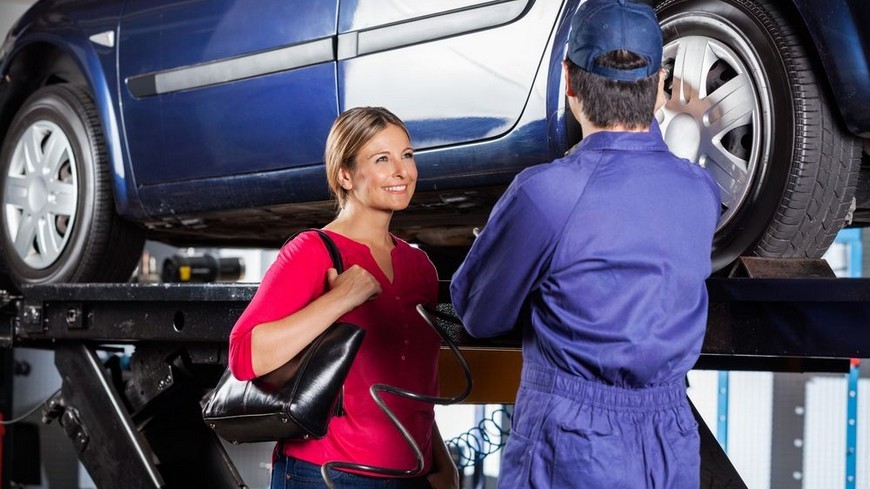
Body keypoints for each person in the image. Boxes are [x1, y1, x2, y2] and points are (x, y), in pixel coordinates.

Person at [450, 0, 721, 487]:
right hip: (672, 436)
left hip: (575, 440)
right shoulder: (701, 192)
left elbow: (480, 313)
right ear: (661, 85)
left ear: (569, 83)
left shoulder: (546, 193)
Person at [228, 107, 459, 489]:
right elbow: (243, 355)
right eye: (382, 159)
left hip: (411, 473)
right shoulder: (313, 251)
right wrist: (339, 299)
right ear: (345, 175)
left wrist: (440, 462)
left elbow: (408, 380)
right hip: (327, 473)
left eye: (407, 155)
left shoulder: (419, 266)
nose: (402, 171)